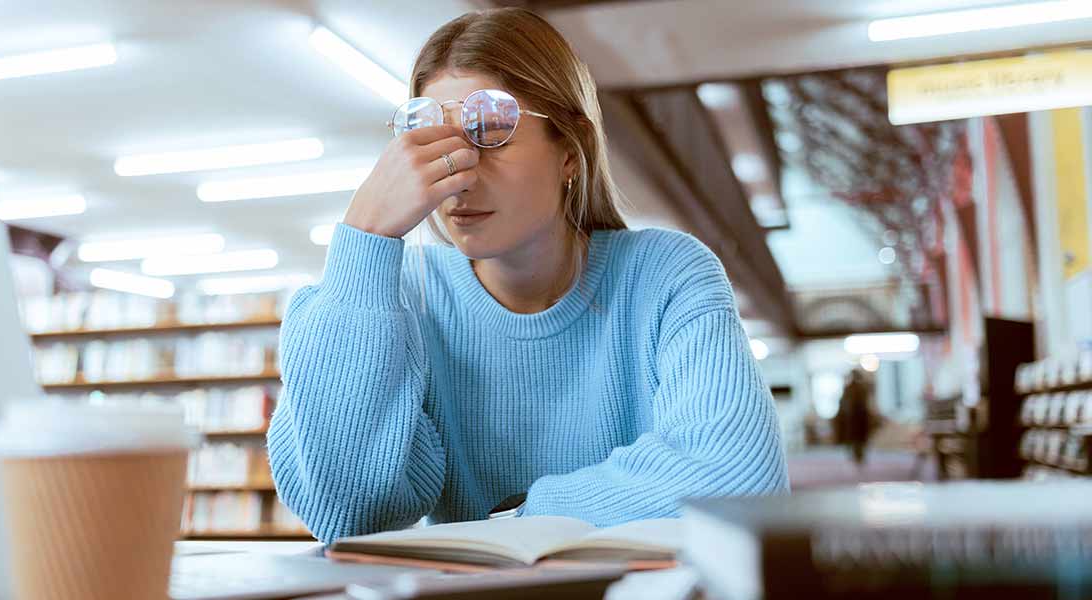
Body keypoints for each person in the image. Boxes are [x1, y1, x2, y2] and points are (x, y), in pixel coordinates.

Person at [267, 7, 789, 544]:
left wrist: (522, 519)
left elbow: (738, 480)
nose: (457, 177)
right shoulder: (398, 298)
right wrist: (365, 237)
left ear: (570, 148)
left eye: (491, 130)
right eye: (429, 140)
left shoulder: (666, 276)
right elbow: (345, 512)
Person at [838, 368, 874, 468]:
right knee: (854, 438)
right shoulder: (849, 388)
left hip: (860, 417)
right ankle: (856, 455)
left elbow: (866, 402)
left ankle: (860, 456)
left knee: (859, 438)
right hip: (853, 418)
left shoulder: (862, 388)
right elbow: (844, 403)